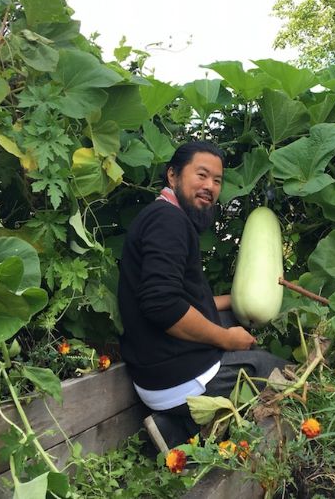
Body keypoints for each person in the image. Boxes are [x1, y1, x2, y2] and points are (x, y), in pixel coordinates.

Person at [117, 141, 287, 452]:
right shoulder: (168, 222)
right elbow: (163, 305)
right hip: (174, 380)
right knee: (278, 372)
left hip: (155, 370)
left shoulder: (162, 216)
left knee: (229, 316)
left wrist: (235, 302)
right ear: (173, 176)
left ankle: (171, 428)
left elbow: (181, 298)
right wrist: (225, 339)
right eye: (202, 175)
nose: (210, 186)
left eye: (217, 180)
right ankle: (187, 422)